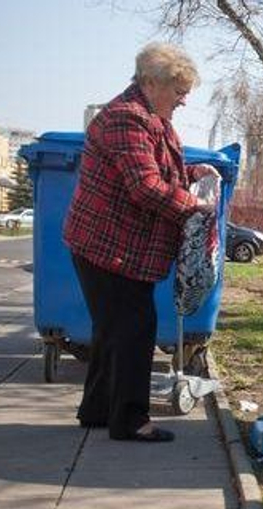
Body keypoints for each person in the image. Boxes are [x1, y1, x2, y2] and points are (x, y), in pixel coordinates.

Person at [64, 42, 217, 442]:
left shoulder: (152, 117)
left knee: (112, 331)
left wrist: (188, 172)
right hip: (108, 246)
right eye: (179, 91)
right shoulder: (126, 119)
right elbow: (145, 186)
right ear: (150, 83)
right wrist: (195, 205)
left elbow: (158, 168)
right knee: (134, 328)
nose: (184, 100)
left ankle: (97, 411)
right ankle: (131, 420)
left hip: (119, 247)